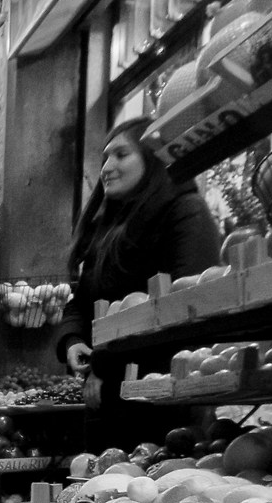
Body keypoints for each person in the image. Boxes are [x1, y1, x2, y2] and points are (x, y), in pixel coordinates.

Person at [55, 117, 223, 411]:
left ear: (152, 158)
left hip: (164, 397)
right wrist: (72, 341)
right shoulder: (107, 229)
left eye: (121, 154)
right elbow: (82, 301)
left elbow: (186, 308)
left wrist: (104, 363)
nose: (106, 168)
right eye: (105, 157)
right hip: (108, 398)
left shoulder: (185, 211)